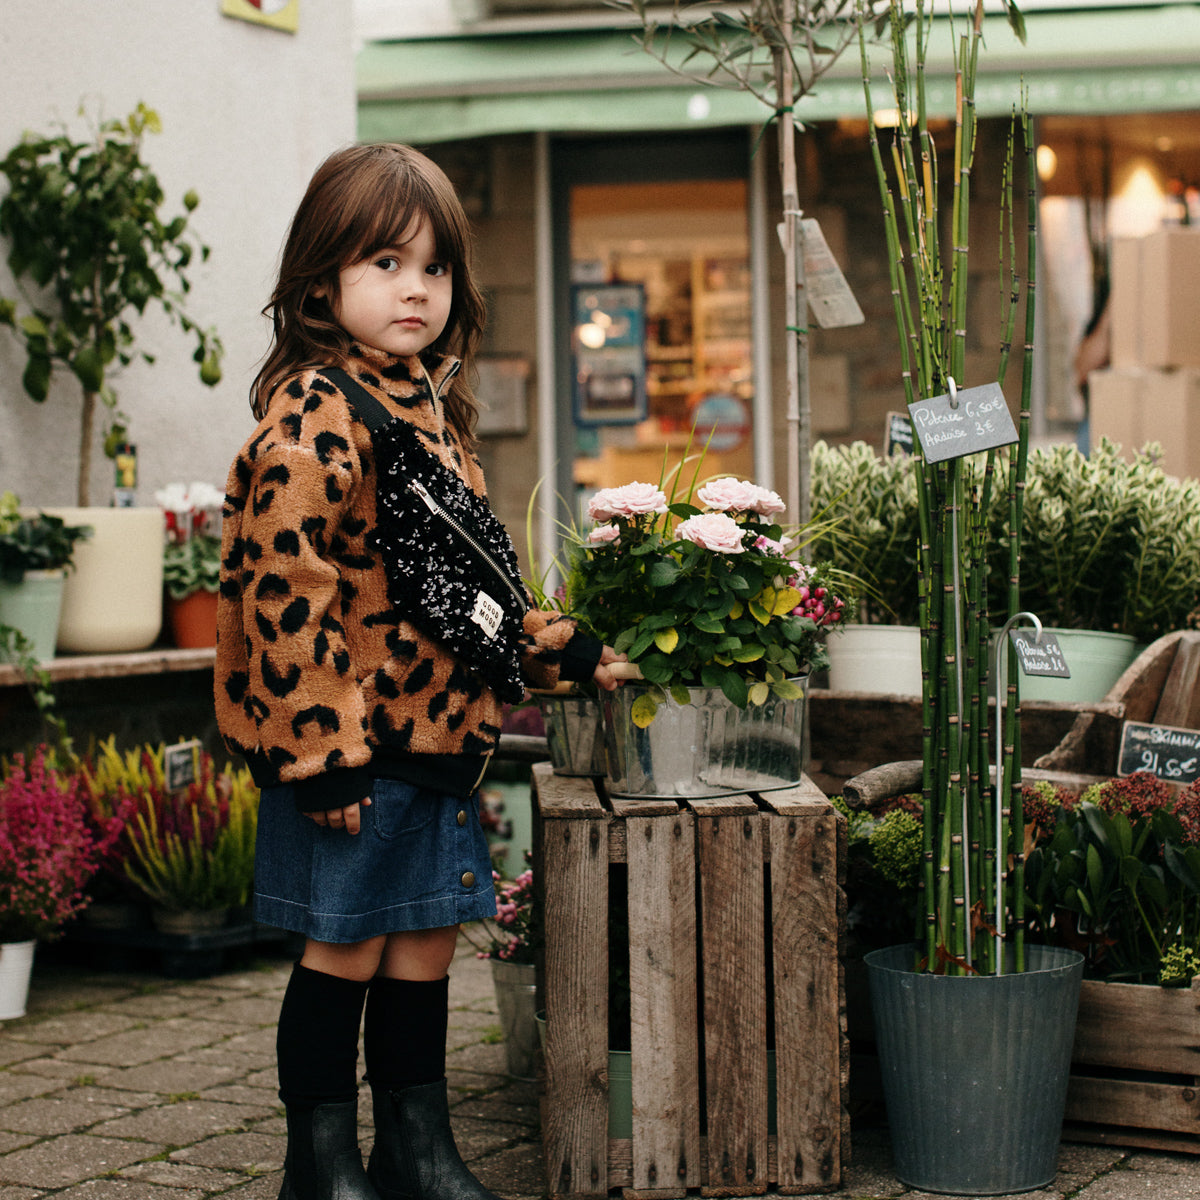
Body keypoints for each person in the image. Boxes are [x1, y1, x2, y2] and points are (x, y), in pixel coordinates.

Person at [214, 142, 622, 1200]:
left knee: (424, 947)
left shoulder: (428, 415)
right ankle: (320, 1168)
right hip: (354, 747)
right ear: (321, 280)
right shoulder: (317, 411)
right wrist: (321, 751)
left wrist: (553, 644)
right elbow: (280, 581)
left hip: (438, 741)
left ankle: (415, 1151)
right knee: (344, 951)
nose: (416, 288)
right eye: (386, 262)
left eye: (435, 268)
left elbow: (460, 583)